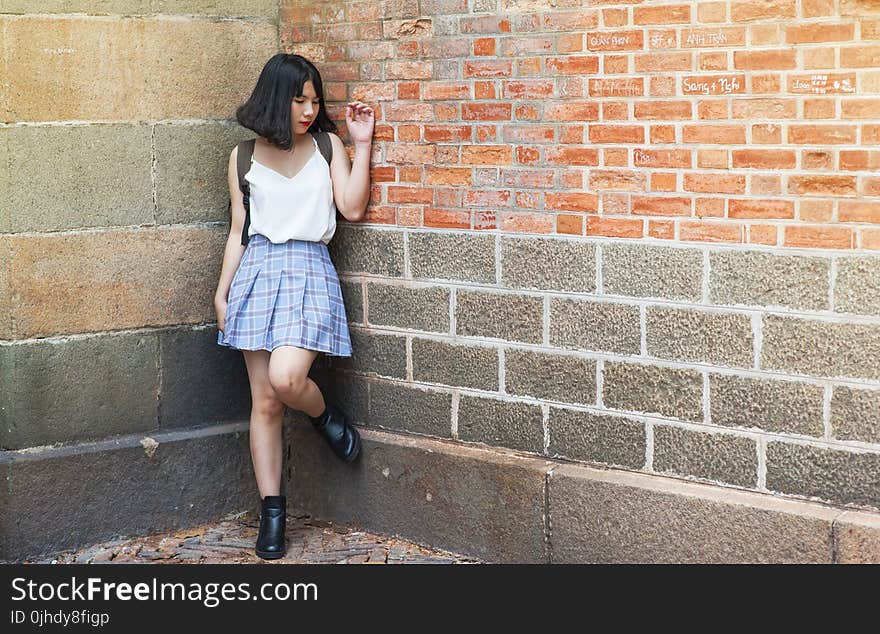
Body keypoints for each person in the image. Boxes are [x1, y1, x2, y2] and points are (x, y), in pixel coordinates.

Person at [213, 53, 374, 560]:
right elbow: (239, 232)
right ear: (274, 99)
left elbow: (350, 206)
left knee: (286, 380)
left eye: (314, 99)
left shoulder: (327, 146)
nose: (309, 109)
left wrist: (362, 145)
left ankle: (324, 416)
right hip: (257, 274)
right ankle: (273, 514)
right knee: (263, 402)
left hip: (309, 270)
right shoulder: (242, 156)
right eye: (299, 99)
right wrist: (222, 292)